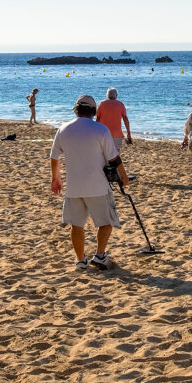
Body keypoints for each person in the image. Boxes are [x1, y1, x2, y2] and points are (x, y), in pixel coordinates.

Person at [49, 94, 128, 270]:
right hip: (98, 186)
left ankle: (80, 260)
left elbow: (54, 157)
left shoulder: (63, 129)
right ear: (93, 111)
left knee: (76, 224)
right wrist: (124, 177)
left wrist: (56, 179)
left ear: (76, 110)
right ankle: (100, 256)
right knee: (107, 221)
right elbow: (114, 158)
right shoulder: (100, 130)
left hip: (74, 187)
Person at [95, 87, 132, 154]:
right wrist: (128, 133)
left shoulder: (101, 104)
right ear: (116, 95)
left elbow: (97, 118)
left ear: (107, 95)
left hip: (103, 132)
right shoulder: (120, 104)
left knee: (103, 153)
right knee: (116, 153)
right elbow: (125, 119)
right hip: (117, 133)